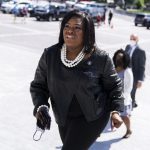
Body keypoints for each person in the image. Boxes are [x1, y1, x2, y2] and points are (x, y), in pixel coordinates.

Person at [30, 10, 124, 150]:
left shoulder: (101, 58)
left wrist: (116, 111)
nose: (70, 31)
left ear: (87, 32)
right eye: (67, 26)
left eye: (77, 28)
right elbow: (38, 86)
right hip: (64, 117)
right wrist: (41, 106)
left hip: (93, 117)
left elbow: (114, 86)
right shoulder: (50, 55)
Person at [112, 49, 133, 138]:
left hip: (122, 99)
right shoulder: (113, 68)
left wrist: (121, 98)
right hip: (112, 96)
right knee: (111, 114)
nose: (118, 59)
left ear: (125, 60)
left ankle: (129, 130)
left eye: (120, 58)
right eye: (117, 57)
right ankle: (113, 126)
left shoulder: (127, 71)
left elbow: (128, 88)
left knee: (124, 116)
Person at [125, 34, 146, 108]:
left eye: (133, 39)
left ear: (137, 40)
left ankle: (131, 107)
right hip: (126, 73)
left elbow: (142, 66)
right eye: (130, 38)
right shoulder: (127, 47)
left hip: (135, 75)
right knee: (126, 91)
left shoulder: (140, 51)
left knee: (132, 92)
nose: (131, 40)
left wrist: (140, 80)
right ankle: (129, 104)